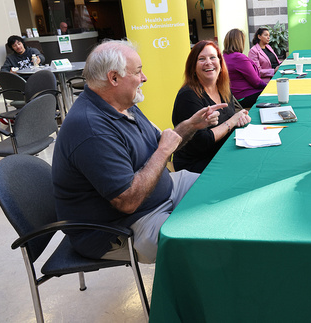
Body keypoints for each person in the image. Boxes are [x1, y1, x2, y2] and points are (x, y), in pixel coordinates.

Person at [52, 40, 225, 264]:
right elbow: (128, 202)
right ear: (113, 78)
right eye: (138, 72)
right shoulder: (90, 128)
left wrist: (191, 125)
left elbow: (162, 144)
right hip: (123, 226)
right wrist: (163, 152)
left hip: (163, 192)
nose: (144, 78)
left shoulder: (124, 104)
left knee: (224, 189)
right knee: (208, 238)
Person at [172, 40, 251, 173]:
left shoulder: (223, 88)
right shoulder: (188, 96)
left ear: (220, 63)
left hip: (221, 152)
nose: (208, 62)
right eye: (201, 59)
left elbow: (233, 117)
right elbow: (201, 142)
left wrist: (241, 119)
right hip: (197, 163)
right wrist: (232, 122)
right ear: (193, 67)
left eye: (213, 57)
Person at [223, 28, 268, 108]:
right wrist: (270, 86)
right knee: (276, 94)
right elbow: (256, 82)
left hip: (235, 97)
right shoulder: (238, 58)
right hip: (246, 96)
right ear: (240, 42)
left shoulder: (224, 57)